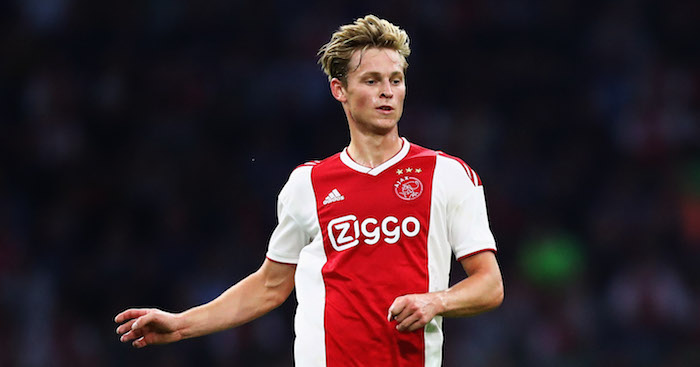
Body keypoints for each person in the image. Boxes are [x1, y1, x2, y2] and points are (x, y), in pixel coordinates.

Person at [115, 15, 504, 366]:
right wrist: (181, 325)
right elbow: (270, 285)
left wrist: (436, 301)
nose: (387, 91)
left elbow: (489, 284)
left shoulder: (447, 174)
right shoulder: (308, 183)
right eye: (371, 81)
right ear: (340, 90)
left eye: (395, 80)